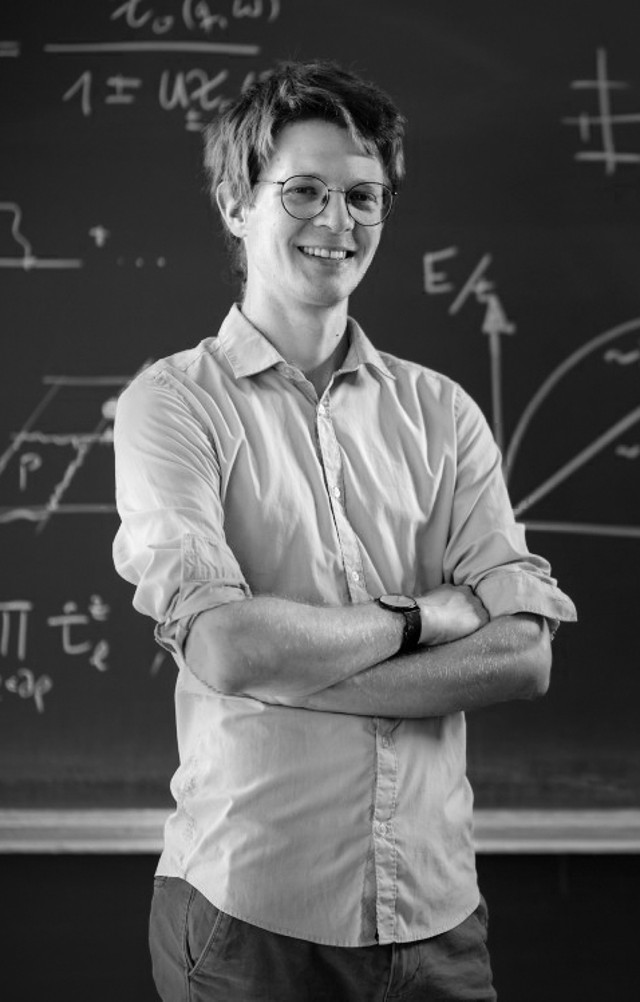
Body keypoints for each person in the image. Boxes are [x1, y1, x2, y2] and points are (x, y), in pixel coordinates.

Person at [113, 60, 577, 1002]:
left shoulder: (442, 413)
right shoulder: (174, 405)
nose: (339, 221)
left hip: (439, 921)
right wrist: (426, 619)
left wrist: (299, 672)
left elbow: (526, 655)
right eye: (306, 191)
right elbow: (230, 646)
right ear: (237, 204)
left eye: (364, 196)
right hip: (251, 921)